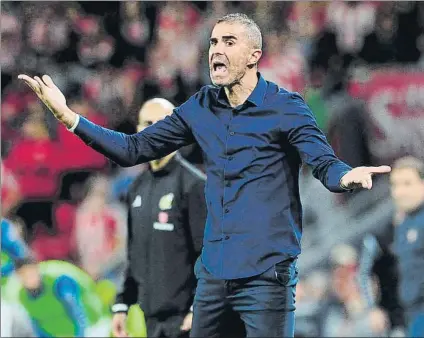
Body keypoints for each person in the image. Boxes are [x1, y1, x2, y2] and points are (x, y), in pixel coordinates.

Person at [19, 13, 391, 338]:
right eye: (213, 42)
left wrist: (346, 176)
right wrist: (70, 118)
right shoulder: (200, 106)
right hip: (214, 276)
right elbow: (133, 149)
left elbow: (324, 164)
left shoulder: (286, 107)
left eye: (229, 42)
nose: (216, 50)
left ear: (253, 56)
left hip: (266, 275)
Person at [111, 98, 207, 338]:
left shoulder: (194, 185)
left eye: (162, 123)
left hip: (188, 322)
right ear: (137, 130)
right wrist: (122, 304)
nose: (153, 129)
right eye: (147, 123)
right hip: (151, 321)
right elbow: (134, 254)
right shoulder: (137, 188)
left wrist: (201, 308)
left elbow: (211, 256)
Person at [6, 258, 111, 337]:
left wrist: (81, 335)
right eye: (25, 275)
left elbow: (78, 313)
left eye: (32, 273)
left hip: (90, 329)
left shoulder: (60, 283)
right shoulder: (22, 296)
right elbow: (35, 324)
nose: (31, 279)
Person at [389, 156, 424, 337]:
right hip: (411, 312)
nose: (399, 192)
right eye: (395, 185)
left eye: (407, 184)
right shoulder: (401, 222)